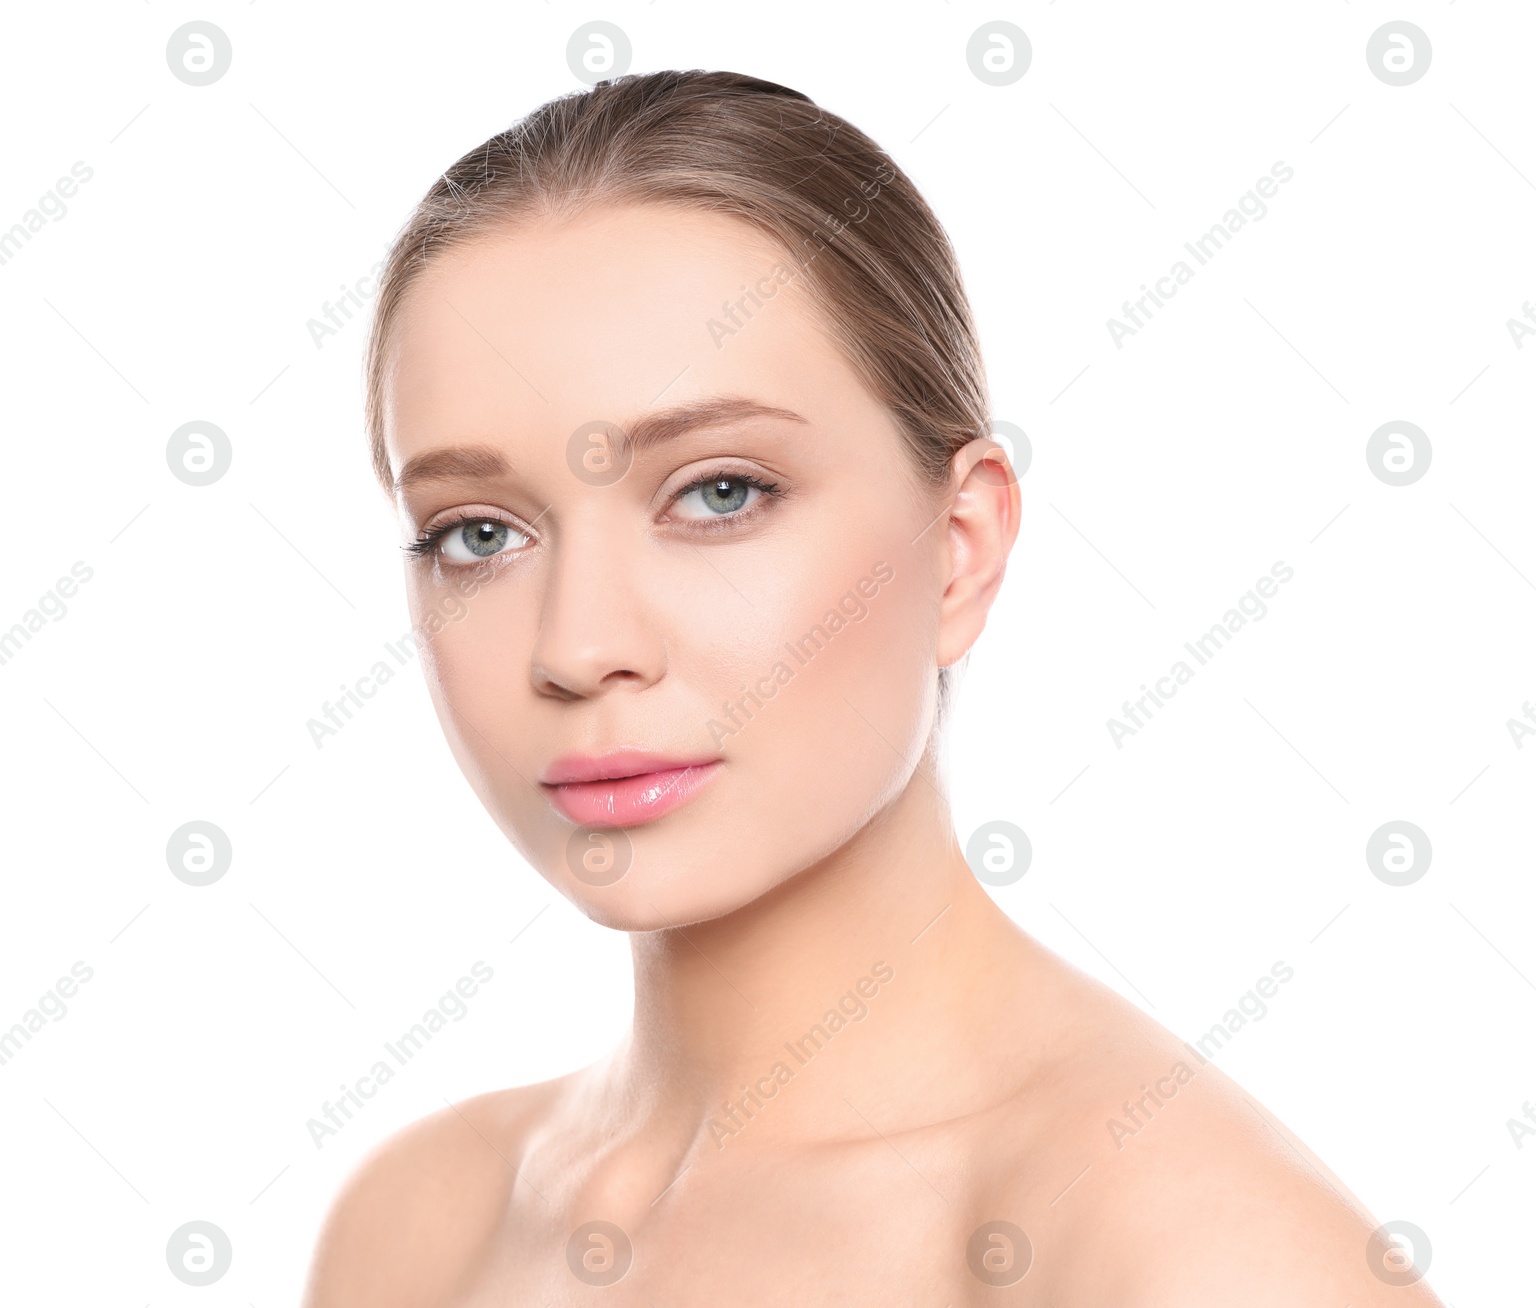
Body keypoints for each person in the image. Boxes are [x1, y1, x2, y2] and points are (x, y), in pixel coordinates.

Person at [302, 69, 1443, 1305]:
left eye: (719, 493)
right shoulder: (416, 1228)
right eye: (477, 533)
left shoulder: (1185, 1256)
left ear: (961, 546)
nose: (579, 648)